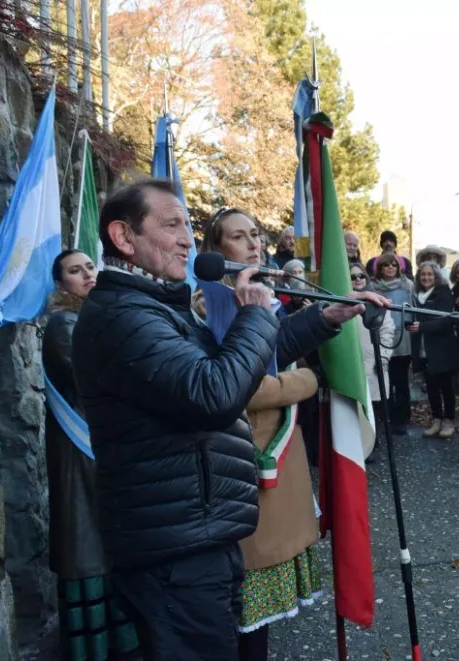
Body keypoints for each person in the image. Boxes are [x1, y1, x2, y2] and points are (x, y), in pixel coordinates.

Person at [71, 180, 376, 660]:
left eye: (188, 227)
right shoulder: (123, 315)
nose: (186, 239)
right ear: (124, 238)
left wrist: (324, 319)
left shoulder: (152, 305)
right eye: (171, 225)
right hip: (175, 546)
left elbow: (239, 361)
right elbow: (214, 393)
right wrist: (254, 316)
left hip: (198, 534)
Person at [192, 208, 325, 660]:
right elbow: (240, 387)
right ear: (214, 251)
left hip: (277, 459)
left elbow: (281, 355)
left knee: (258, 627)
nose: (253, 244)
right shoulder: (207, 306)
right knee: (240, 618)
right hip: (241, 467)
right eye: (238, 237)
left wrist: (328, 317)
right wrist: (304, 385)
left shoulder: (263, 302)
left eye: (256, 234)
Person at [44, 249, 140, 661]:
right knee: (87, 543)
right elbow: (98, 379)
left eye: (88, 267)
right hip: (80, 447)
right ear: (60, 284)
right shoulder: (63, 324)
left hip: (108, 444)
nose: (86, 274)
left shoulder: (99, 316)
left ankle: (127, 640)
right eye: (73, 271)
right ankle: (94, 648)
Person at [410, 262, 459, 439]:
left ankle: (449, 421)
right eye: (423, 275)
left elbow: (445, 320)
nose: (426, 278)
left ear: (436, 276)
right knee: (431, 387)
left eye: (430, 275)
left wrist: (422, 327)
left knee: (446, 387)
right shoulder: (416, 294)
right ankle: (437, 419)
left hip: (442, 349)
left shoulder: (444, 293)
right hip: (423, 349)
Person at [351, 263, 394, 453]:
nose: (358, 279)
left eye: (361, 275)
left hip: (374, 361)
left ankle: (373, 444)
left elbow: (388, 332)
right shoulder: (338, 302)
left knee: (374, 406)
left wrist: (383, 357)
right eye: (353, 277)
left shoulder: (378, 302)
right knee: (353, 406)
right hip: (351, 363)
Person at [371, 251, 416, 435]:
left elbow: (413, 309)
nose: (390, 267)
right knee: (384, 379)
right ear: (380, 268)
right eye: (386, 264)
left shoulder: (407, 285)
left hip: (403, 338)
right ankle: (385, 416)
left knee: (401, 381)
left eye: (393, 264)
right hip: (383, 337)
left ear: (398, 267)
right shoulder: (373, 288)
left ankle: (402, 419)